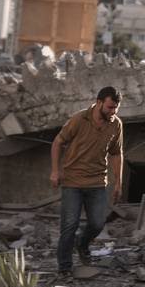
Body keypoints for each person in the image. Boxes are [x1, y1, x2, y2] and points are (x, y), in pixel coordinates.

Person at [51, 86, 124, 276]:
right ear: (99, 103)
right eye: (109, 107)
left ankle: (82, 244)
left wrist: (118, 182)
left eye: (116, 108)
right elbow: (58, 142)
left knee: (98, 223)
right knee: (70, 224)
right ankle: (64, 267)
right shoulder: (79, 119)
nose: (113, 112)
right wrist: (55, 171)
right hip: (72, 181)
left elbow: (116, 153)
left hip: (97, 182)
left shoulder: (115, 124)